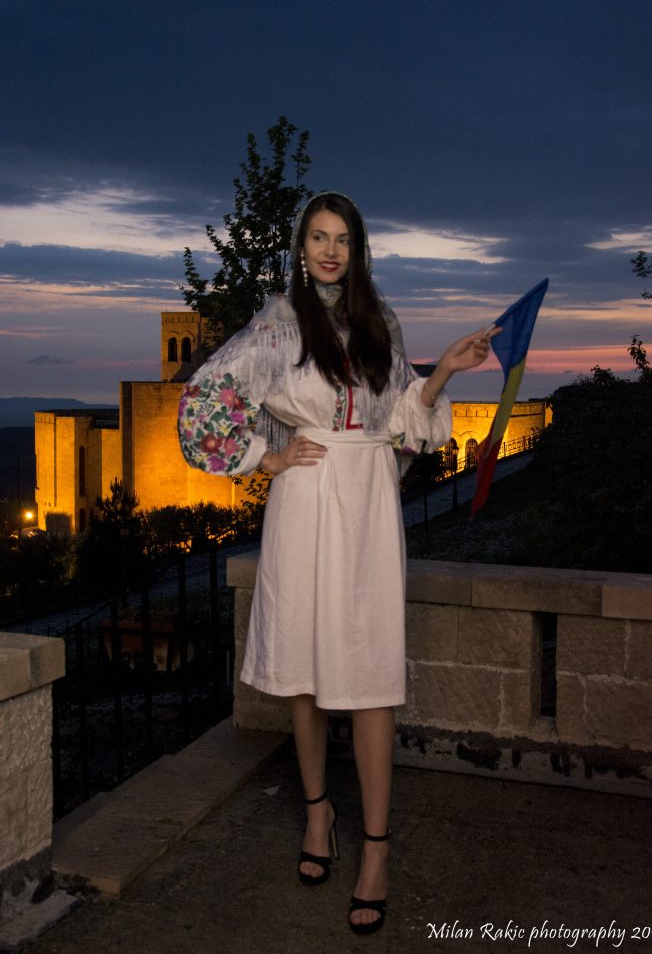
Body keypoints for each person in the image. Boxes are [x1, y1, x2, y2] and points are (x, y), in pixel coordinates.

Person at [177, 192, 494, 935]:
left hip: (369, 501)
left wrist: (444, 370)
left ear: (358, 250)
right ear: (301, 247)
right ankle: (318, 814)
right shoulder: (277, 325)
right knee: (306, 671)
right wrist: (267, 458)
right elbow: (204, 401)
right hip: (305, 499)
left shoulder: (381, 322)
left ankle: (376, 850)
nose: (328, 250)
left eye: (342, 239)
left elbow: (403, 422)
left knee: (372, 674)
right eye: (317, 237)